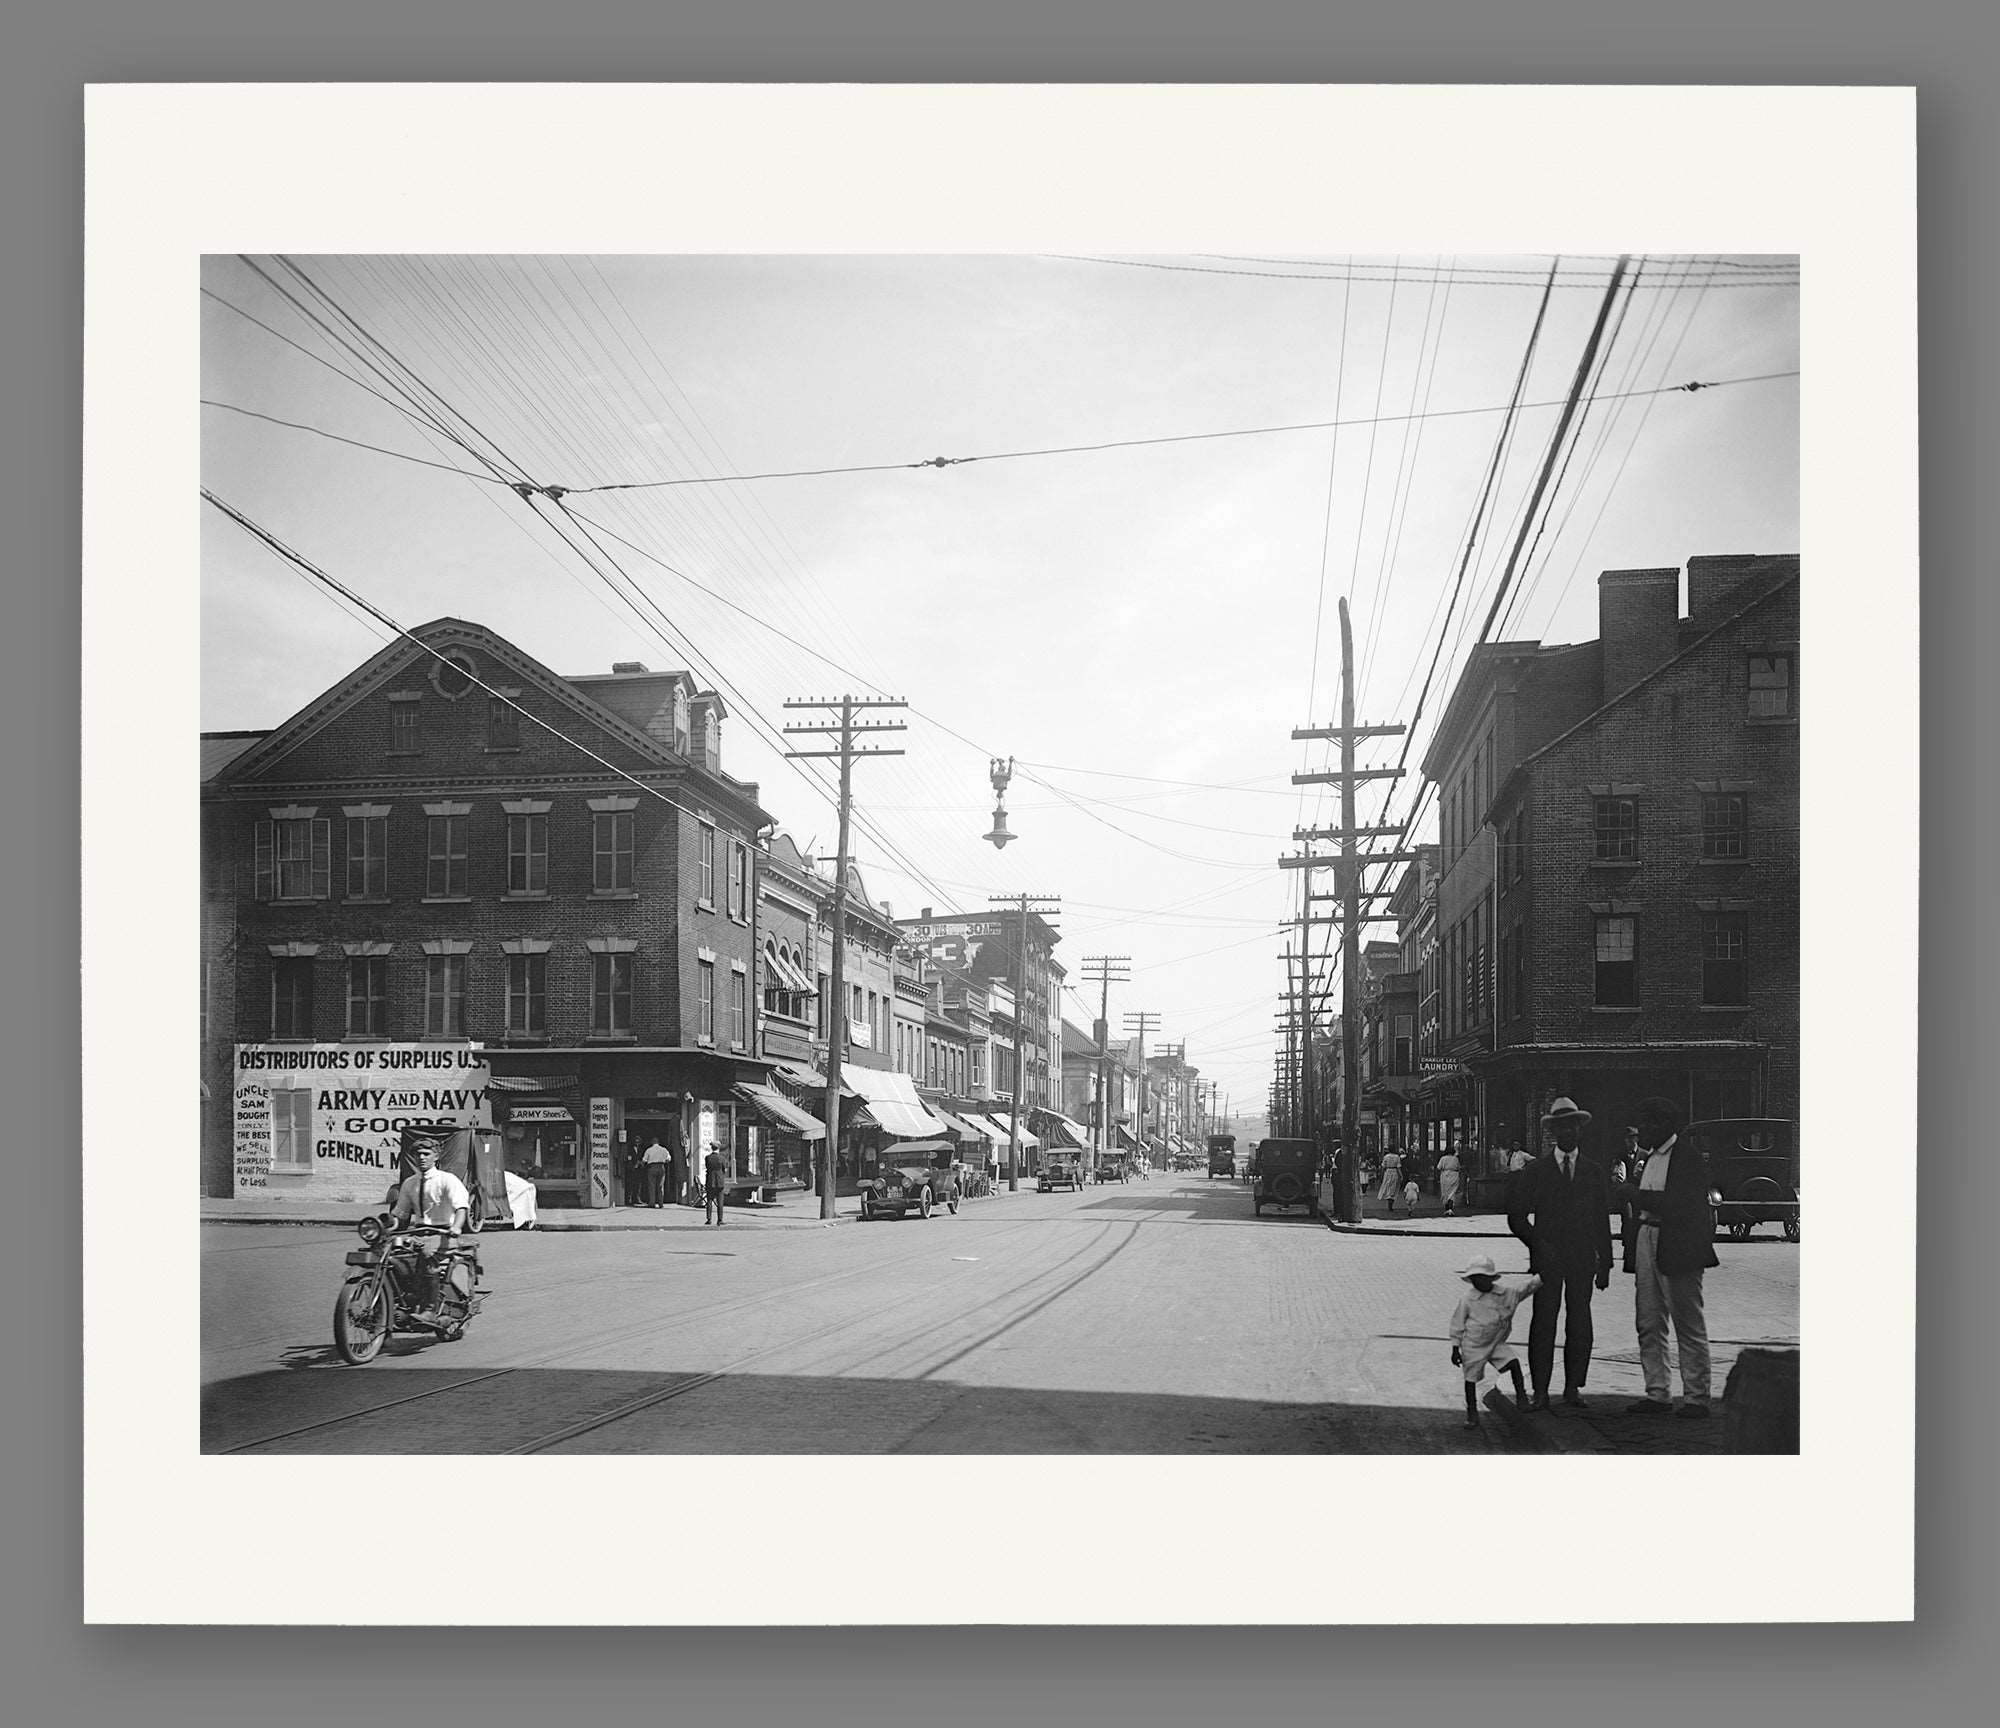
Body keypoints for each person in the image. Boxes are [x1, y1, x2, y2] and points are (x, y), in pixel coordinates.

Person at [1611, 1095, 1719, 1419]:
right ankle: (1656, 1393)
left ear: (1663, 1124)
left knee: (1687, 1321)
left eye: (1647, 1124)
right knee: (1649, 1320)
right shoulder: (1648, 1158)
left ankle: (1697, 1397)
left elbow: (1682, 1204)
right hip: (1647, 1236)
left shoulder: (1686, 1157)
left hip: (1678, 1242)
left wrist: (1635, 1194)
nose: (1642, 1131)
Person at [1506, 1096, 1615, 1413]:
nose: (1568, 1132)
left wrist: (1605, 1263)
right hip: (1547, 1260)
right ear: (1553, 1131)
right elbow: (1516, 1216)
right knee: (1544, 1322)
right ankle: (1540, 1390)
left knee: (1580, 1322)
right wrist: (1538, 1245)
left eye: (1573, 1126)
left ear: (1580, 1130)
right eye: (1561, 1126)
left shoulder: (1593, 1172)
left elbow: (1601, 1221)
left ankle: (1572, 1387)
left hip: (1582, 1259)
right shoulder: (1536, 1171)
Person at [1449, 1253, 1539, 1430]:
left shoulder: (1505, 1294)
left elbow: (1525, 1288)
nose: (1479, 1282)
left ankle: (1522, 1398)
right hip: (1473, 1344)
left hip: (1496, 1342)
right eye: (1475, 1279)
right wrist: (1455, 1347)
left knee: (1513, 1364)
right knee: (1470, 1379)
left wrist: (1542, 1276)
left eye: (1482, 1278)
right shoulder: (1468, 1299)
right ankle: (1472, 1413)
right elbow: (1457, 1323)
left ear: (1491, 1278)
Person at [391, 1137, 470, 1315]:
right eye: (418, 1154)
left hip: (443, 1233)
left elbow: (461, 1208)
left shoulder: (447, 1180)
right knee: (391, 1258)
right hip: (418, 1232)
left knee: (427, 1256)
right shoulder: (409, 1183)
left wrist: (456, 1227)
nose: (421, 1157)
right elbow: (400, 1214)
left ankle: (430, 1309)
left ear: (436, 1156)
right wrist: (386, 1226)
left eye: (426, 1154)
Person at [641, 1133, 672, 1208]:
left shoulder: (649, 1150)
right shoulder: (664, 1149)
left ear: (652, 1142)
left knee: (652, 1185)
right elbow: (669, 1158)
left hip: (652, 1167)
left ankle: (652, 1203)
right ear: (658, 1142)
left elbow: (644, 1160)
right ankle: (661, 1203)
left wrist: (642, 1165)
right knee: (660, 1186)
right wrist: (663, 1161)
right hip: (661, 1167)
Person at [703, 1140, 729, 1226]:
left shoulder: (707, 1158)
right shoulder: (722, 1158)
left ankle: (709, 1219)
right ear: (718, 1148)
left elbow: (707, 1168)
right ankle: (720, 1219)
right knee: (720, 1201)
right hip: (719, 1182)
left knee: (709, 1201)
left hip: (710, 1181)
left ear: (712, 1148)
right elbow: (724, 1169)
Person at [1437, 1143, 1463, 1217]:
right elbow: (1459, 1168)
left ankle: (1446, 1209)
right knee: (1452, 1192)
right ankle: (1451, 1208)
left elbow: (1439, 1167)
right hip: (1454, 1175)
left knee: (1445, 1192)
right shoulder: (1455, 1159)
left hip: (1445, 1175)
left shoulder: (1443, 1158)